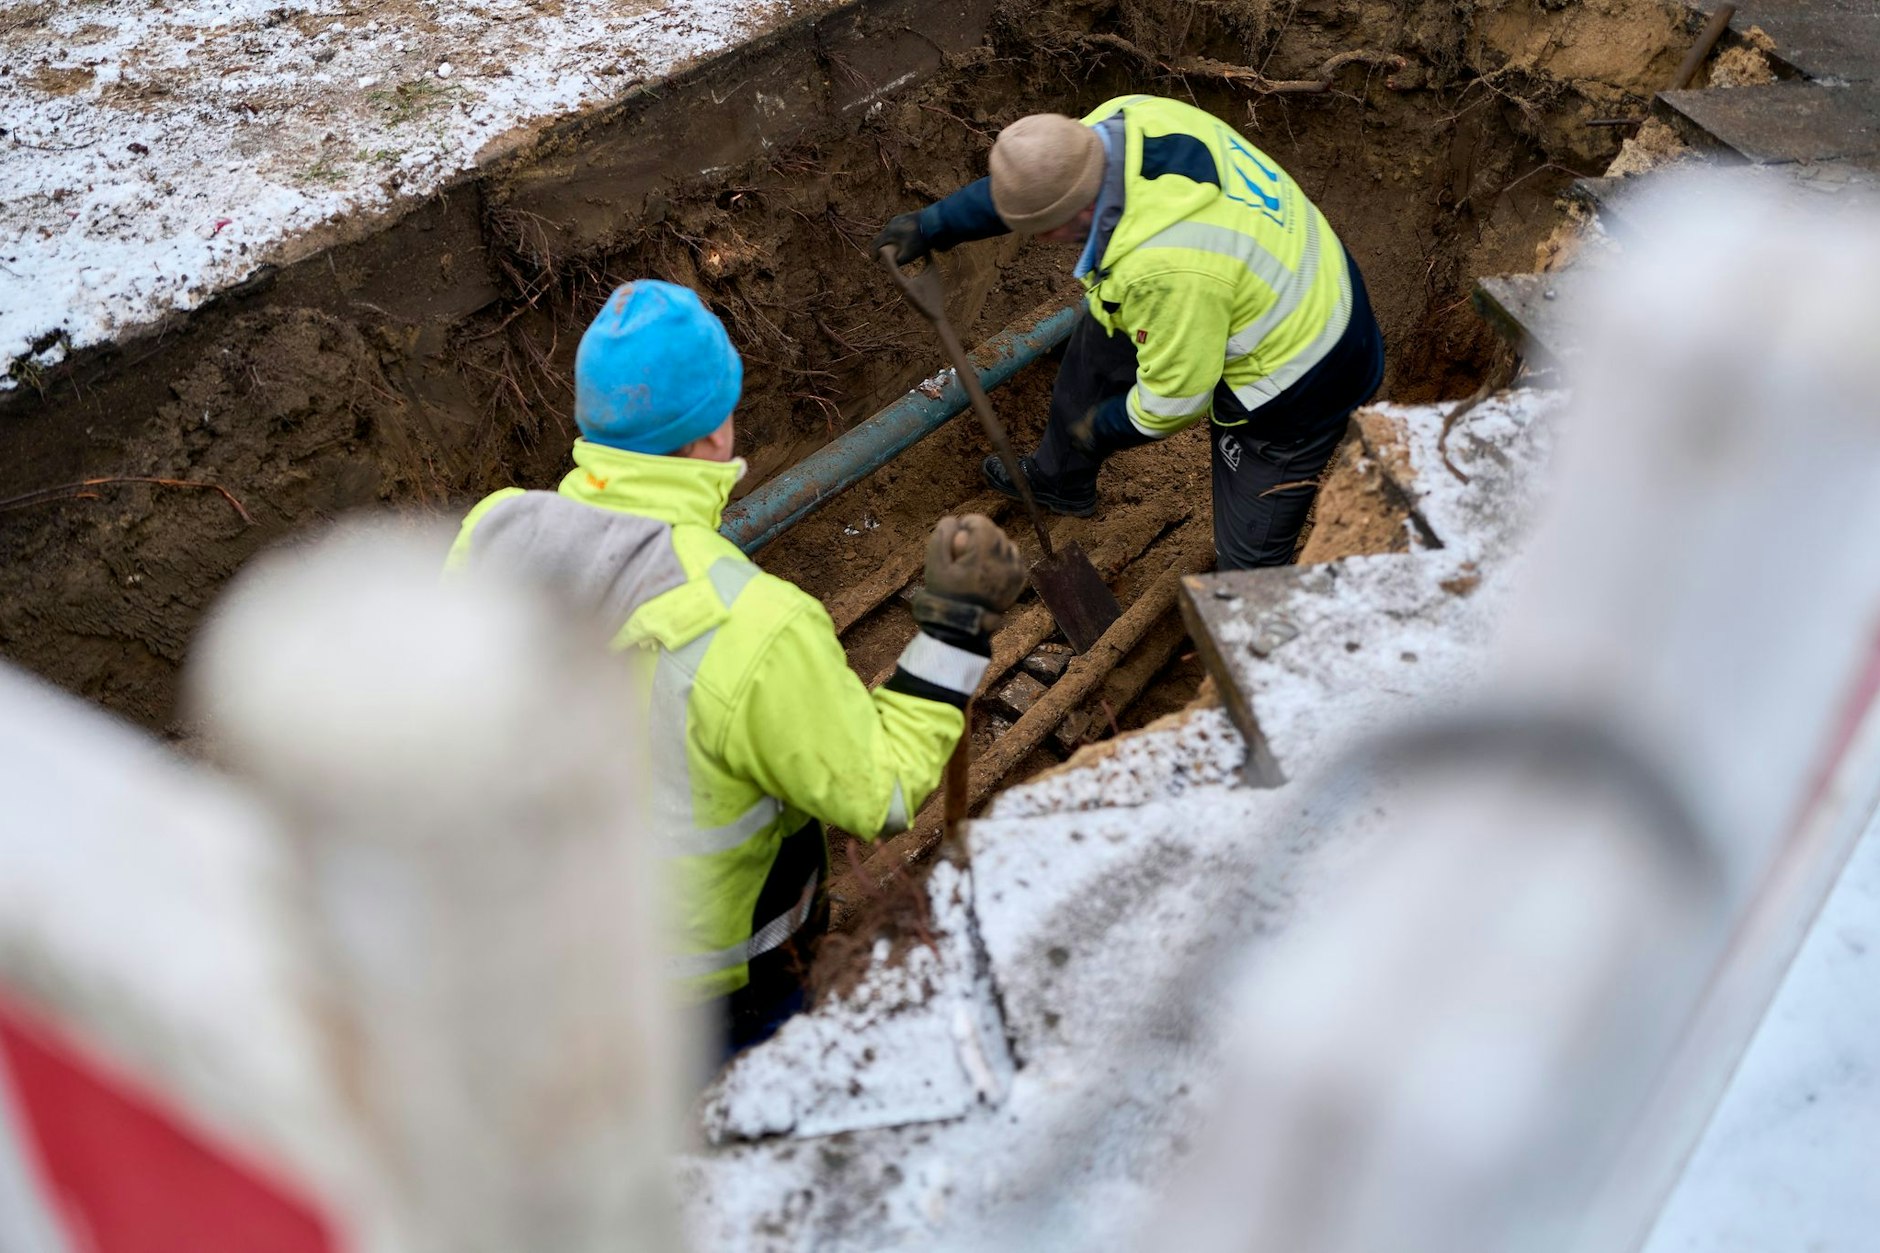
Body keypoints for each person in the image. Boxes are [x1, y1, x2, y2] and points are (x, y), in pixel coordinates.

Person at [447, 281, 1025, 1054]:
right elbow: (880, 792)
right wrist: (954, 631)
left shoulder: (492, 535)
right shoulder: (752, 623)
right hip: (712, 993)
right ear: (716, 433)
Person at [875, 94, 1385, 569]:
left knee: (1249, 554)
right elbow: (1036, 186)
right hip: (1272, 269)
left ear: (1068, 218)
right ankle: (1060, 479)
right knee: (1096, 350)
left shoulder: (1165, 267)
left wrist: (1103, 428)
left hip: (1306, 371)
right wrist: (933, 224)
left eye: (1041, 230)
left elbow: (1175, 401)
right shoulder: (1116, 124)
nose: (1038, 238)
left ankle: (1258, 621)